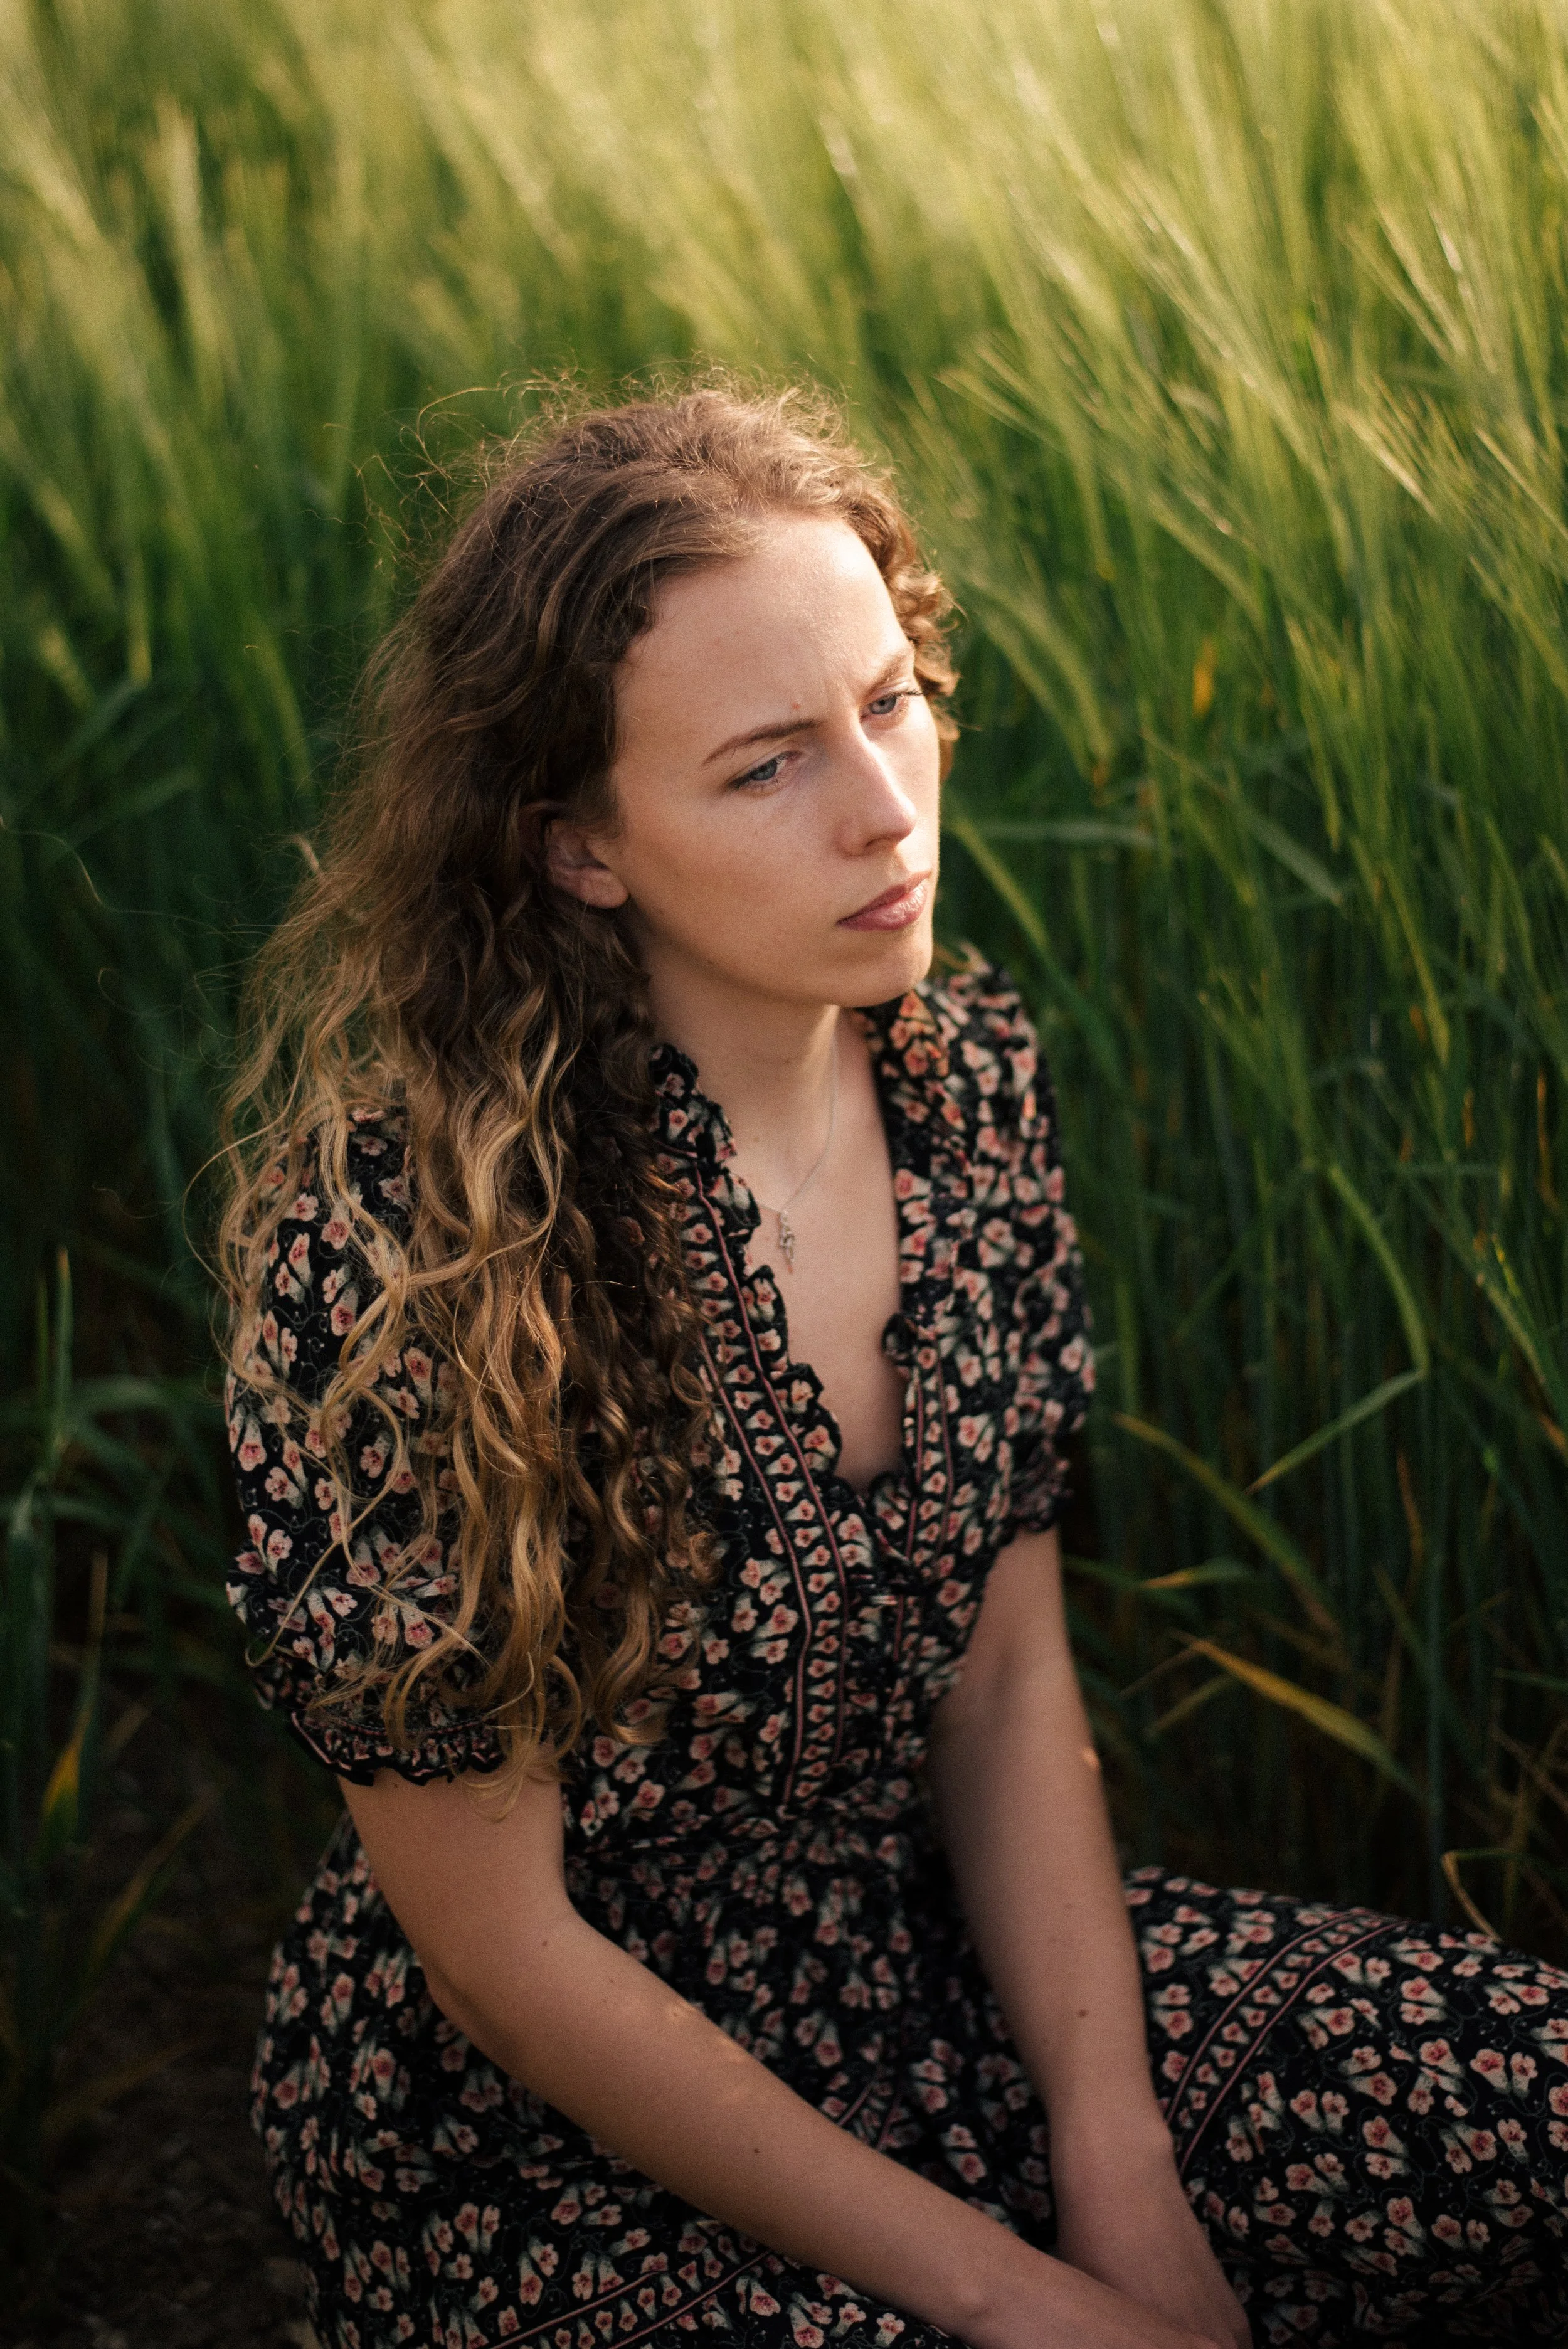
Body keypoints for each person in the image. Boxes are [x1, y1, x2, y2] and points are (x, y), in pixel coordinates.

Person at [218, 388, 1568, 2349]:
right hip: (538, 2121)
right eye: (767, 767)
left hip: (927, 1965)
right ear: (582, 849)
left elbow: (1009, 1677)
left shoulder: (963, 1077)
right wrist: (1013, 2299)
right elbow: (503, 1954)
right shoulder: (414, 1240)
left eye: (893, 701)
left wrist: (1116, 2158)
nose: (884, 807)